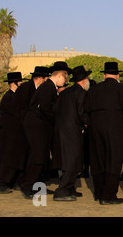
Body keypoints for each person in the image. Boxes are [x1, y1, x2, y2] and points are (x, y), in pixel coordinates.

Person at [85, 62, 123, 205]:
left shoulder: (93, 90)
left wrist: (89, 124)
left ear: (104, 75)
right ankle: (109, 196)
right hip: (116, 128)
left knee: (97, 160)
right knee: (113, 161)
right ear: (118, 75)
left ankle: (99, 192)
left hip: (95, 128)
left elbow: (85, 111)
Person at [19, 61, 71, 199]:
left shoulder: (49, 87)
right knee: (38, 155)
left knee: (40, 156)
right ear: (60, 75)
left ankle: (36, 184)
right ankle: (27, 185)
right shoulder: (48, 87)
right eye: (65, 78)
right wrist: (58, 118)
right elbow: (44, 108)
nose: (65, 81)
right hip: (37, 126)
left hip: (40, 126)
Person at [53, 66, 91, 202]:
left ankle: (70, 187)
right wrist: (89, 123)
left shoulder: (65, 93)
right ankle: (62, 190)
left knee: (68, 159)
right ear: (83, 80)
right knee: (72, 160)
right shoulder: (81, 93)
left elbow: (56, 109)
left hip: (61, 130)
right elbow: (81, 113)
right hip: (73, 131)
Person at [0, 72, 25, 193]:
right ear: (15, 83)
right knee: (9, 158)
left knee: (16, 157)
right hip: (9, 134)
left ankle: (14, 181)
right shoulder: (9, 97)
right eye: (20, 82)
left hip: (14, 133)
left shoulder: (13, 96)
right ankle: (1, 183)